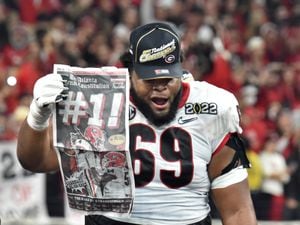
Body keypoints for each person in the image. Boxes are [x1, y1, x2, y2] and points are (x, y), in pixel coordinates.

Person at [17, 22, 257, 225]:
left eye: (168, 78)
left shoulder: (212, 106)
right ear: (130, 71)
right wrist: (38, 116)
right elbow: (36, 161)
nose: (160, 87)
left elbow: (237, 209)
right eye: (150, 79)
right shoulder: (99, 97)